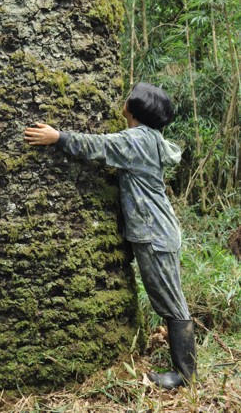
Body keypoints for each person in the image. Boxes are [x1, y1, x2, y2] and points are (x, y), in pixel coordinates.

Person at [24, 82, 197, 389]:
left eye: (129, 98)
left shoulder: (137, 140)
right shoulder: (150, 138)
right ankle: (184, 373)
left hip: (154, 233)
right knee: (169, 300)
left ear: (134, 110)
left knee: (171, 303)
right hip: (157, 229)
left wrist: (58, 137)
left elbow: (98, 147)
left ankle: (185, 377)